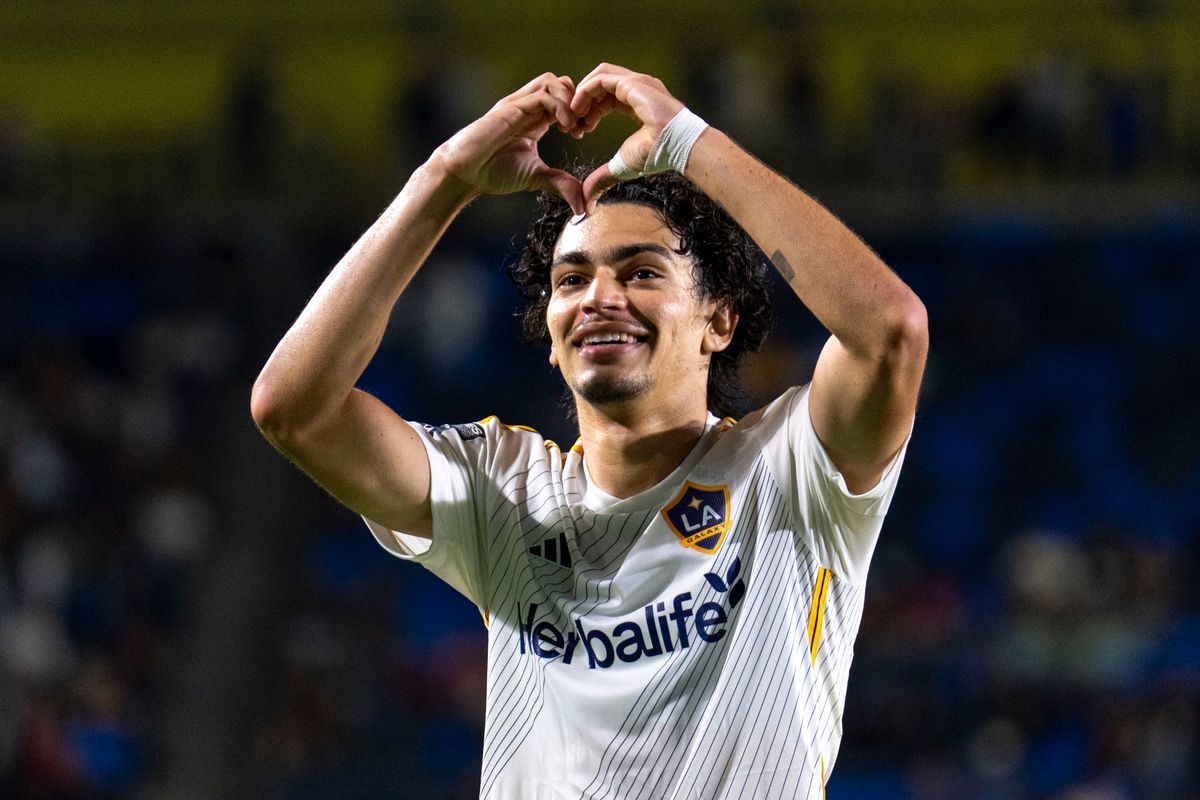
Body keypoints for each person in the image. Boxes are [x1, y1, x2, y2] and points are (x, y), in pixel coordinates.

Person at [251, 63, 927, 799]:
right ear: (551, 334)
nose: (599, 297)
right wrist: (446, 178)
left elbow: (890, 330)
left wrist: (687, 139)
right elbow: (293, 407)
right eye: (571, 280)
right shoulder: (500, 494)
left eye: (641, 273)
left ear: (720, 320)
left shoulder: (791, 471)